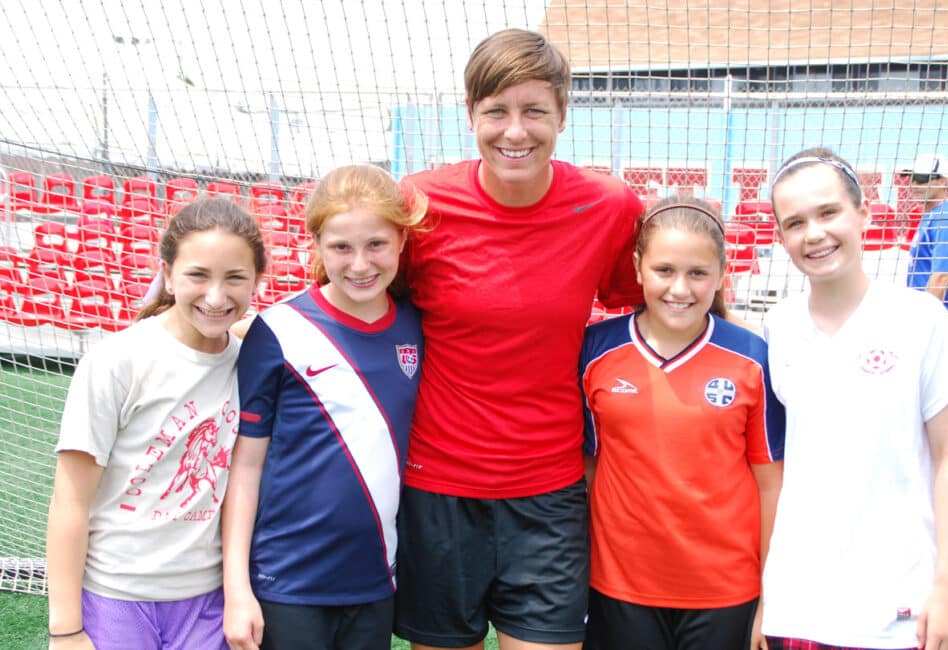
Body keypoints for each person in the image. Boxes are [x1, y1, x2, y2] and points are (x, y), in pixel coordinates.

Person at [392, 28, 645, 650]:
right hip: (438, 488)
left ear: (562, 112)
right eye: (496, 111)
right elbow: (362, 299)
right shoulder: (420, 203)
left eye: (534, 110)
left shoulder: (609, 207)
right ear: (471, 114)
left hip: (550, 493)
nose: (515, 131)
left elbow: (650, 306)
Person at [761, 148, 948, 650]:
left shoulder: (921, 319)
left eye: (828, 212)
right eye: (795, 222)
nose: (814, 233)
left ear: (863, 215)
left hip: (898, 605)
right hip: (797, 605)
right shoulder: (776, 329)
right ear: (781, 238)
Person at [45, 198, 267, 650]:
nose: (216, 296)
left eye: (235, 278)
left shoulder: (250, 361)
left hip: (206, 604)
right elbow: (70, 501)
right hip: (115, 599)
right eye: (198, 275)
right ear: (167, 274)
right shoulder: (117, 361)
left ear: (257, 281)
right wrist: (65, 629)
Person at [222, 164, 427, 650]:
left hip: (374, 578)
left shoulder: (418, 327)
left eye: (375, 244)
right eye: (341, 247)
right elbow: (245, 466)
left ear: (401, 240)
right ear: (316, 245)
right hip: (287, 584)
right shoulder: (277, 331)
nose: (359, 264)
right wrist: (237, 589)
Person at [579, 197, 785, 650]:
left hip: (726, 591)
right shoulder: (595, 351)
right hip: (619, 587)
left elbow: (771, 485)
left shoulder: (752, 359)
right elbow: (589, 469)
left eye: (697, 273)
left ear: (721, 273)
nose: (680, 288)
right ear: (637, 267)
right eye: (664, 270)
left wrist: (770, 597)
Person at [902, 153, 948, 340]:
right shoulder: (932, 215)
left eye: (923, 180)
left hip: (938, 331)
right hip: (931, 325)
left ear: (942, 182)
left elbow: (941, 277)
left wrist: (922, 327)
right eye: (913, 179)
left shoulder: (946, 219)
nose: (915, 185)